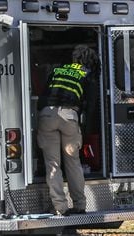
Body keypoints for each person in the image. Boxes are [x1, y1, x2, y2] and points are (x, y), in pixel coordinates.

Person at [37, 44, 100, 216]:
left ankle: (60, 208)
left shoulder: (58, 70)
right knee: (73, 162)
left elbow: (43, 95)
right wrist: (86, 129)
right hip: (70, 117)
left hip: (47, 115)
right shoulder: (87, 74)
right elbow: (91, 104)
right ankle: (80, 205)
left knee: (53, 164)